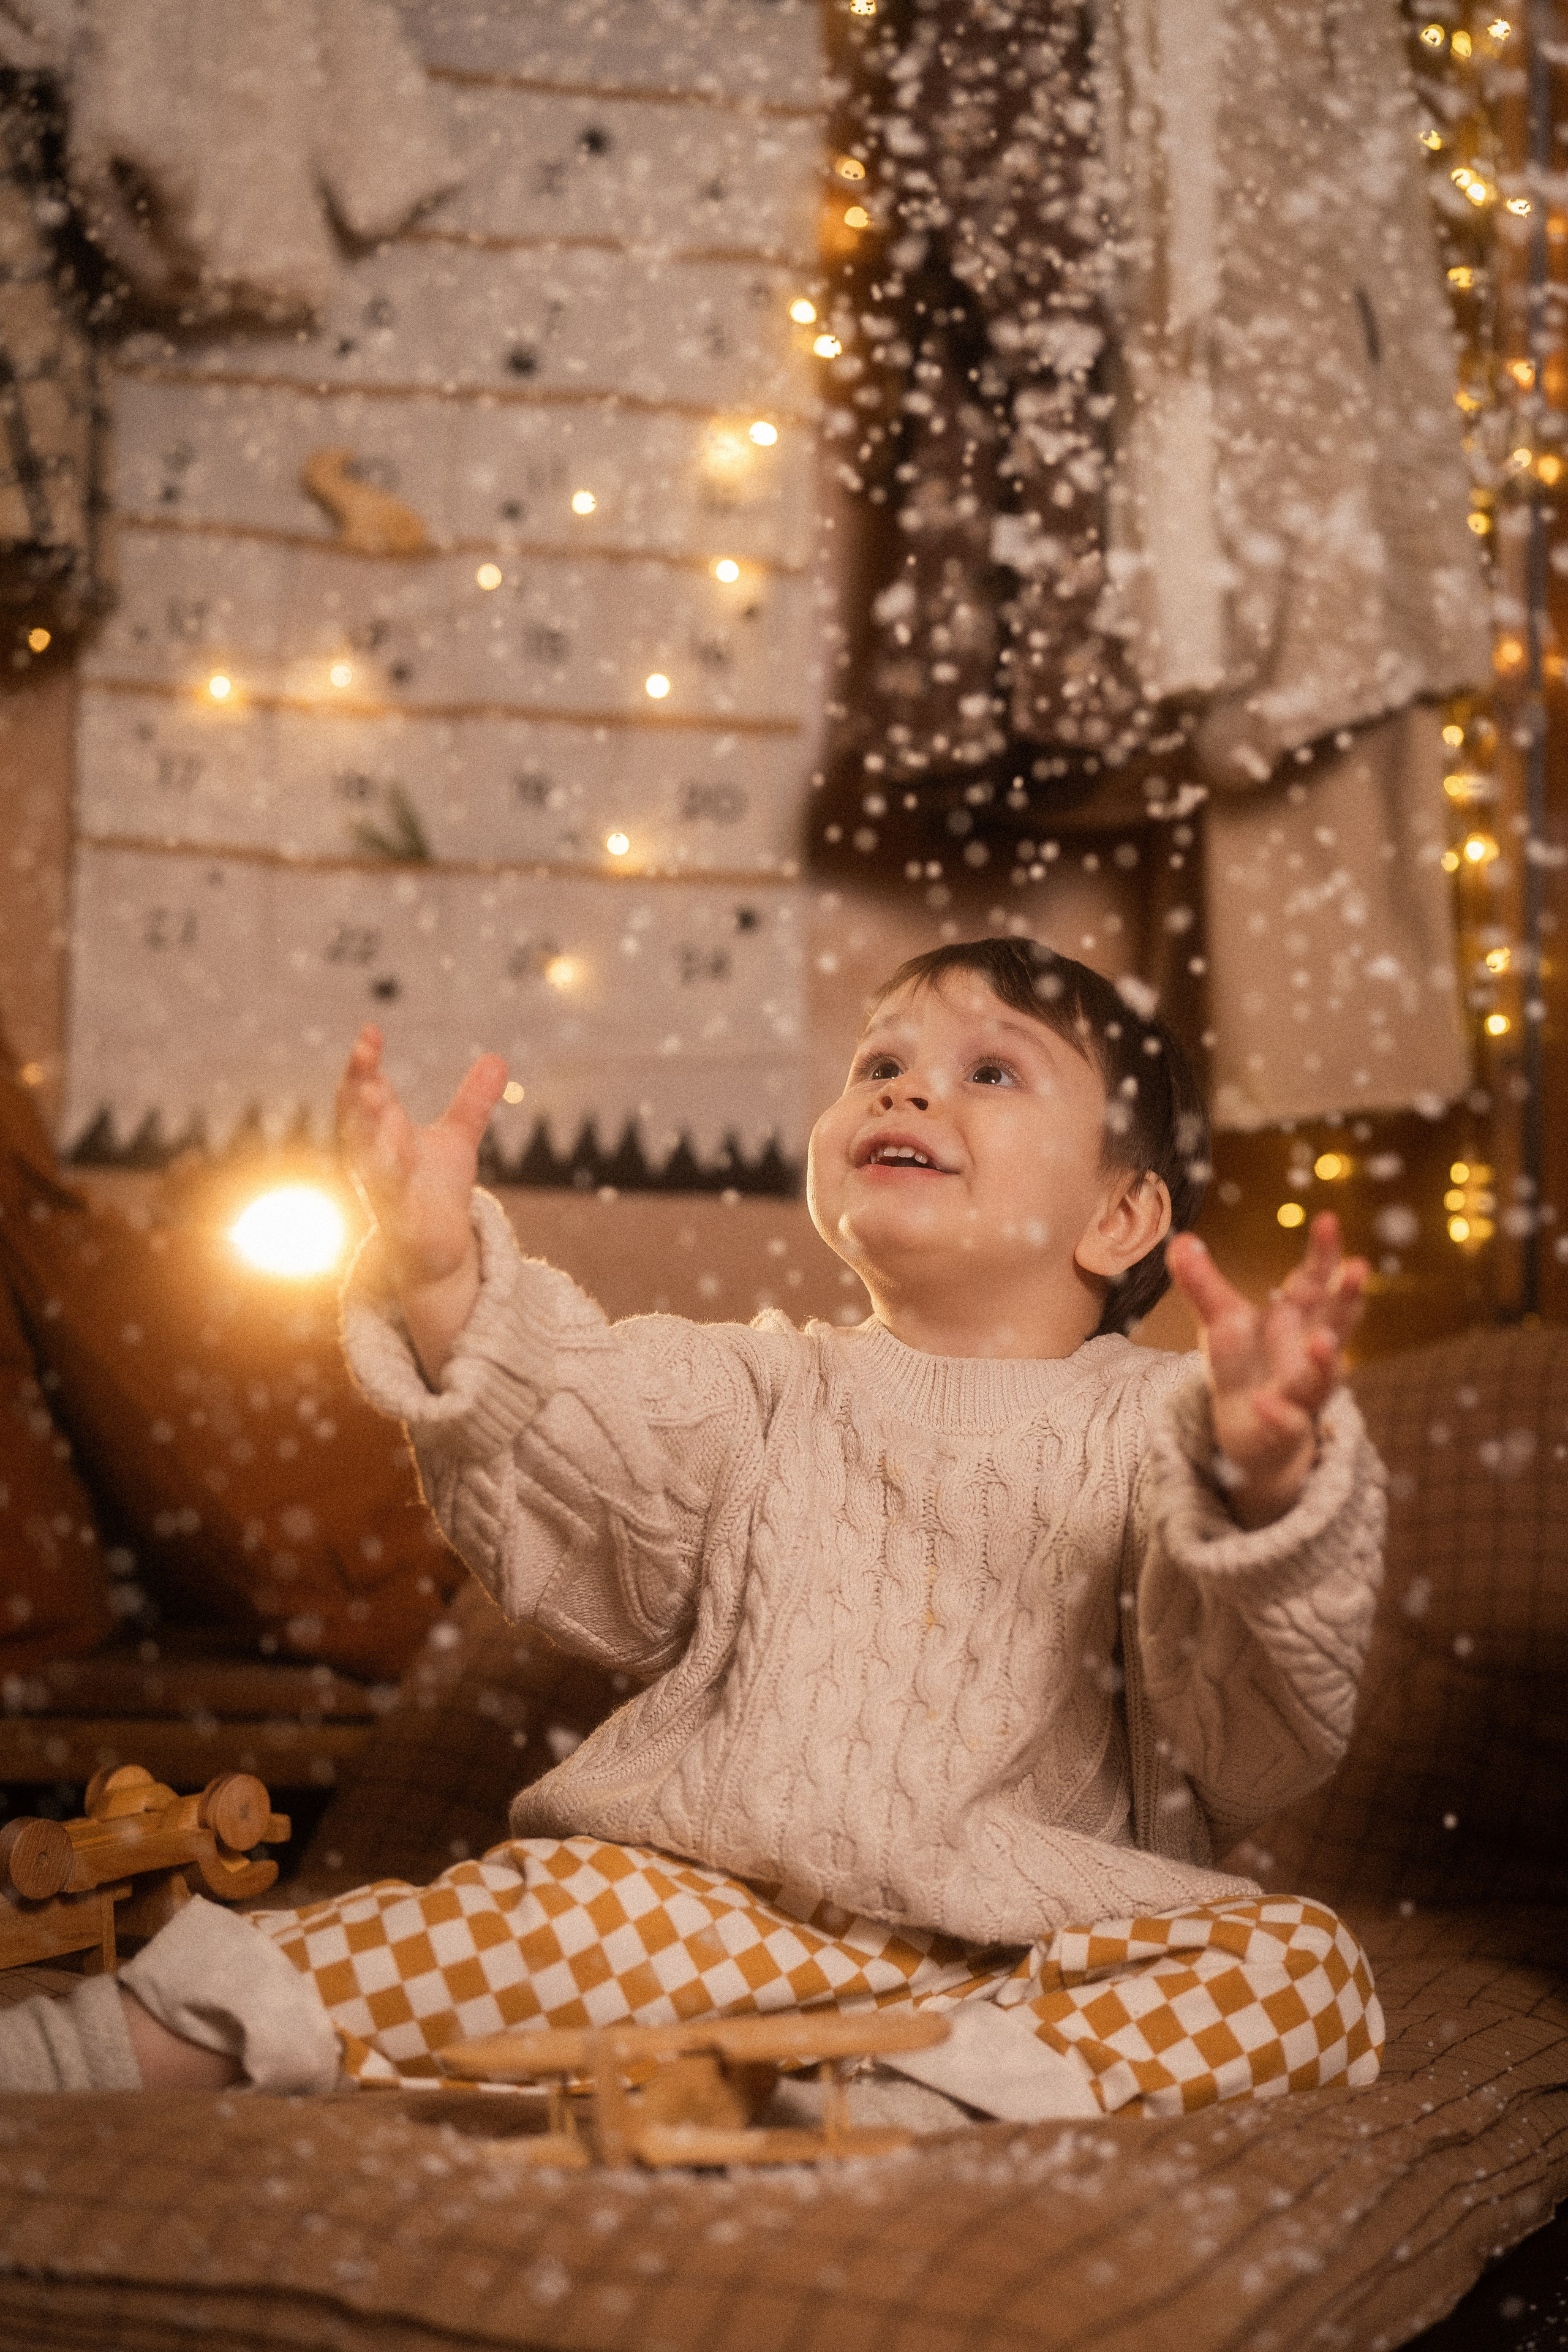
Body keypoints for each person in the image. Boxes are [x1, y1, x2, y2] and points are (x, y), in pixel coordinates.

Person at [0, 937, 1385, 2119]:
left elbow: (1255, 1732)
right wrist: (442, 1283)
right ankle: (88, 2052)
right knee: (512, 1917)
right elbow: (572, 1444)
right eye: (879, 1062)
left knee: (1305, 1969)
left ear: (1121, 1214)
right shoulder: (755, 1387)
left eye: (991, 1071)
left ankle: (924, 2095)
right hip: (708, 1922)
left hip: (1036, 1963)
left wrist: (1263, 1488)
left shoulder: (1170, 1429)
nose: (904, 1087)